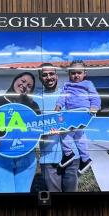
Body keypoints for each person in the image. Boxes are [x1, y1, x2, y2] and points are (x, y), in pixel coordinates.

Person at [0, 72, 41, 193]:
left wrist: (50, 130)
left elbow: (39, 129)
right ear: (15, 80)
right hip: (1, 158)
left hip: (26, 159)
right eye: (23, 81)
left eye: (29, 86)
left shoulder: (33, 106)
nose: (25, 86)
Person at [37, 63, 79, 192]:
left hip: (72, 155)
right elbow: (32, 128)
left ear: (56, 75)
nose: (49, 77)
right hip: (48, 158)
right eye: (44, 75)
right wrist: (44, 131)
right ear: (40, 78)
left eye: (51, 74)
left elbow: (78, 120)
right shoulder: (35, 99)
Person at [54, 60, 100, 173]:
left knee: (65, 133)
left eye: (79, 73)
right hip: (71, 113)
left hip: (83, 113)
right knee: (79, 136)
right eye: (73, 73)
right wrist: (58, 106)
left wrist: (94, 107)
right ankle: (85, 159)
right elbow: (62, 97)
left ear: (84, 73)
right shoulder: (67, 85)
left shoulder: (88, 84)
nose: (76, 75)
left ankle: (68, 154)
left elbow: (95, 97)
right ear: (69, 74)